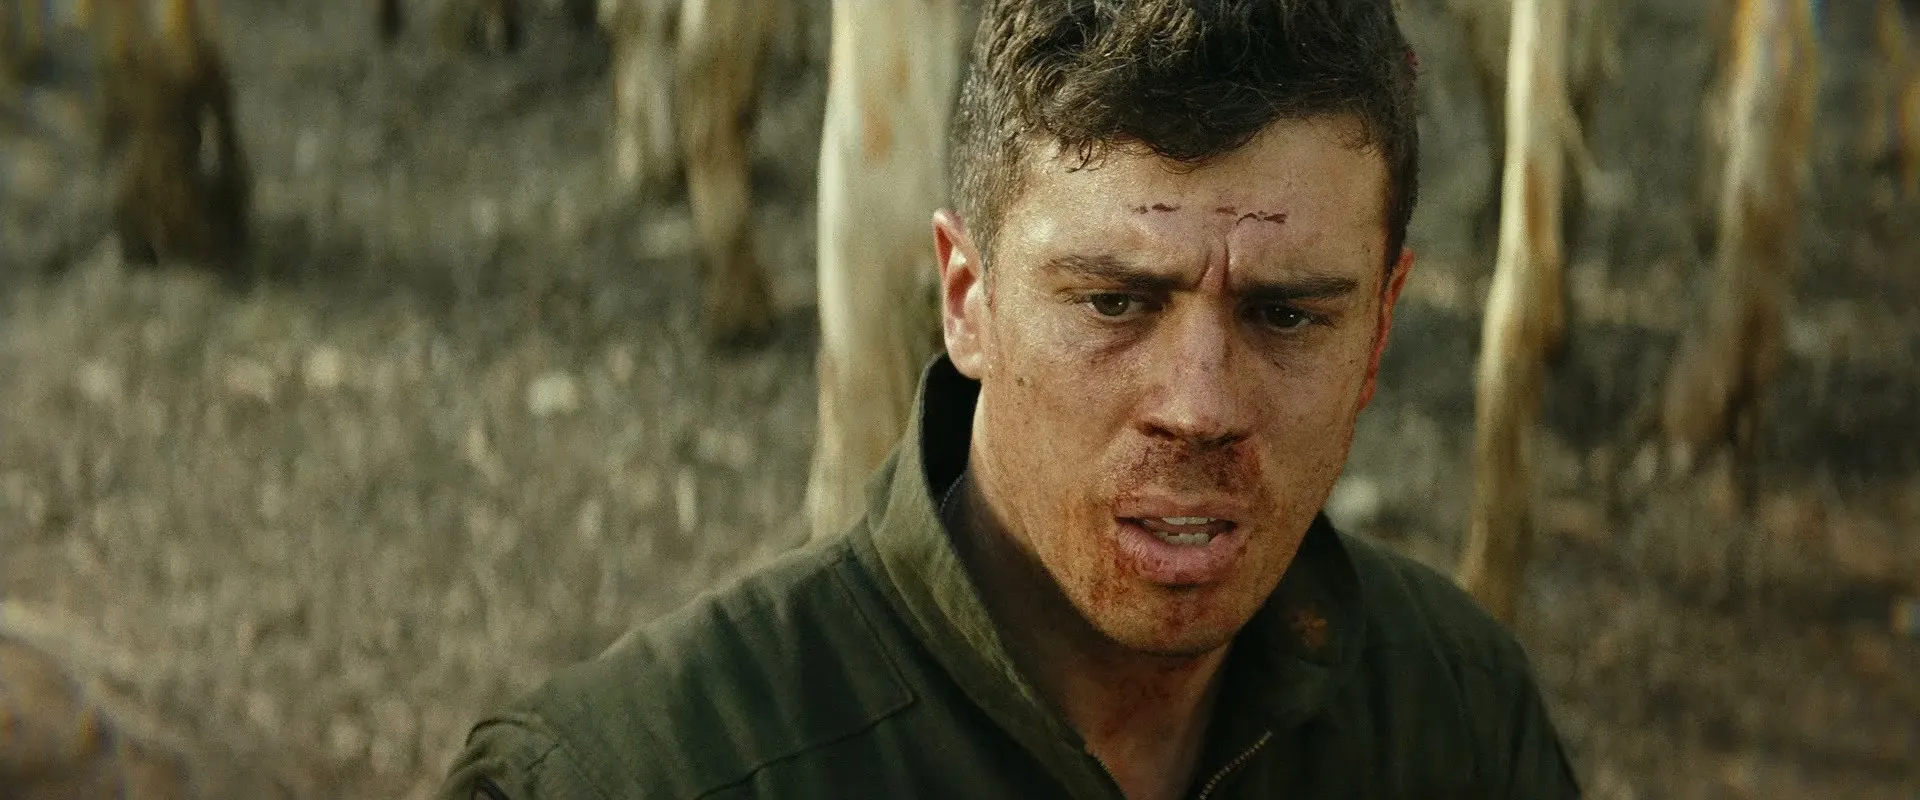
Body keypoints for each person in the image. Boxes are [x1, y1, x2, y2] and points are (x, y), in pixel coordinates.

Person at [438, 0, 1583, 797]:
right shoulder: (631, 778)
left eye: (1285, 315)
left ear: (1379, 329)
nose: (1199, 405)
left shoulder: (1458, 714)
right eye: (1114, 302)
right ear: (967, 300)